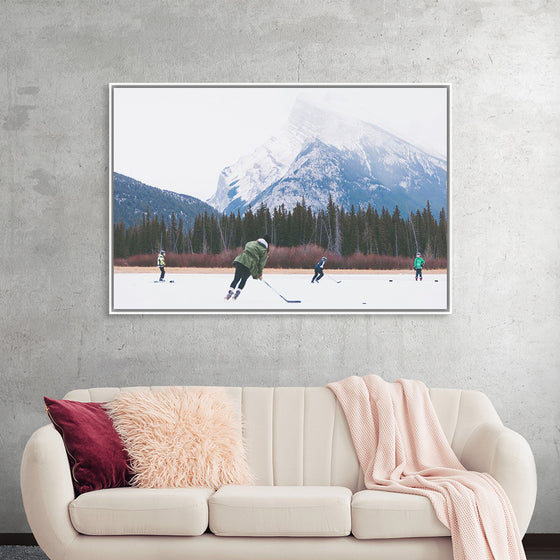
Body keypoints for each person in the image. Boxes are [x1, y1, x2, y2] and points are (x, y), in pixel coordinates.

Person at [226, 235, 271, 300]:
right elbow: (261, 264)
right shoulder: (264, 251)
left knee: (237, 278)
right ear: (268, 243)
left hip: (241, 260)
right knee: (244, 279)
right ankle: (237, 292)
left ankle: (230, 291)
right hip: (251, 265)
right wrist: (259, 274)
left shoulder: (251, 242)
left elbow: (246, 247)